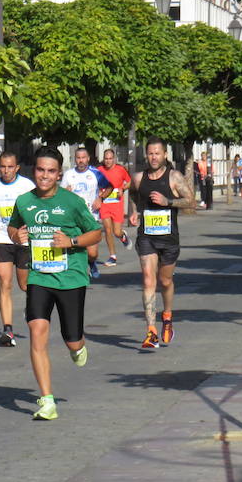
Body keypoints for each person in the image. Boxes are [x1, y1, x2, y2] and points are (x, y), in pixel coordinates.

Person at [7, 146, 103, 420]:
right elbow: (13, 227)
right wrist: (16, 235)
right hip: (39, 276)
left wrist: (71, 242)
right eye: (40, 170)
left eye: (50, 171)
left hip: (70, 277)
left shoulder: (71, 203)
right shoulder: (24, 201)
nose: (44, 176)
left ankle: (79, 346)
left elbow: (95, 233)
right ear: (33, 170)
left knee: (72, 340)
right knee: (37, 331)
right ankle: (47, 400)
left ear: (59, 174)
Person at [128, 137, 195, 349]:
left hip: (169, 239)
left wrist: (169, 202)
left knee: (164, 281)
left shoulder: (174, 177)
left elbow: (191, 200)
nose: (154, 157)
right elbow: (132, 194)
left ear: (165, 155)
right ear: (146, 155)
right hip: (146, 236)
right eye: (150, 153)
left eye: (158, 153)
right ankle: (151, 331)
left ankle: (167, 317)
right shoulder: (139, 178)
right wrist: (134, 212)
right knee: (148, 280)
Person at [0, 151, 36, 347]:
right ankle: (7, 330)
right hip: (1, 238)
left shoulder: (27, 186)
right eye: (2, 167)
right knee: (5, 282)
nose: (6, 171)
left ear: (17, 168)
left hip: (23, 240)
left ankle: (32, 306)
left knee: (24, 285)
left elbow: (36, 207)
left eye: (10, 167)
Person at [61, 147, 110, 279]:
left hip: (90, 216)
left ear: (88, 158)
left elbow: (109, 186)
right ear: (74, 159)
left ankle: (92, 261)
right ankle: (78, 273)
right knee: (74, 246)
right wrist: (66, 192)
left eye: (83, 158)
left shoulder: (95, 173)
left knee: (92, 252)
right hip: (72, 218)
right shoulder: (68, 174)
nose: (81, 160)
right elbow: (60, 194)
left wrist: (100, 198)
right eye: (78, 158)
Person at [96, 148, 133, 267]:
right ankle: (112, 256)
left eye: (110, 158)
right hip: (104, 203)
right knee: (107, 229)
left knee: (116, 232)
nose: (108, 161)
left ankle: (122, 236)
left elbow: (129, 182)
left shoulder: (120, 170)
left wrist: (123, 189)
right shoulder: (99, 170)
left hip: (117, 204)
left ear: (114, 159)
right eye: (106, 158)